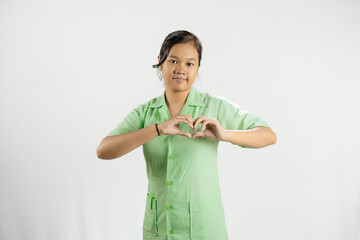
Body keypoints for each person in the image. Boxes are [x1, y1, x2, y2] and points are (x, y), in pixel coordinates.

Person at [97, 30, 277, 240]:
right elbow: (104, 150)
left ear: (198, 67)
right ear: (161, 62)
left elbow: (268, 135)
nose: (181, 69)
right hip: (159, 229)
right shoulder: (145, 113)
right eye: (173, 61)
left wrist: (225, 134)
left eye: (190, 64)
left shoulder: (214, 106)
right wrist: (158, 129)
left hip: (205, 230)